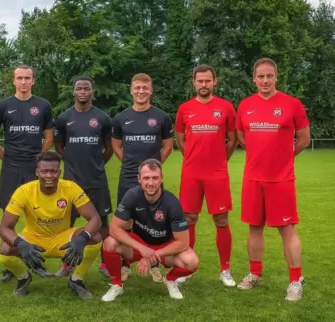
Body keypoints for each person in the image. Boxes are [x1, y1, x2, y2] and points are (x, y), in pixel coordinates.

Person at [236, 58, 310, 301]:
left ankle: (296, 280)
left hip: (281, 180)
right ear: (254, 79)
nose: (265, 80)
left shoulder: (292, 104)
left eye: (269, 76)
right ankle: (255, 274)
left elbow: (304, 139)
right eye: (261, 76)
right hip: (253, 179)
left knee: (286, 229)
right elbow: (241, 135)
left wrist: (283, 158)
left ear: (276, 77)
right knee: (254, 227)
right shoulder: (245, 105)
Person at [0, 151, 102, 299]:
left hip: (62, 239)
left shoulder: (70, 187)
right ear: (37, 172)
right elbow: (4, 227)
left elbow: (95, 218)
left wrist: (82, 239)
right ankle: (23, 278)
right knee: (4, 249)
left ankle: (76, 280)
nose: (49, 175)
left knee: (95, 237)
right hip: (33, 240)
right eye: (44, 171)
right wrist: (21, 244)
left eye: (53, 171)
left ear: (59, 172)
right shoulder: (24, 191)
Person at [174, 65, 237, 286]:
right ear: (194, 82)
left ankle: (225, 269)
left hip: (217, 173)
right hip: (191, 172)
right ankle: (187, 267)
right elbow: (181, 140)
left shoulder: (226, 107)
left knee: (221, 220)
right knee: (189, 219)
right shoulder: (184, 109)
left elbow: (232, 139)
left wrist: (219, 160)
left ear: (214, 82)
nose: (204, 85)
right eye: (200, 81)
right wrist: (192, 157)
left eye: (207, 81)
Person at [101, 159, 199, 302]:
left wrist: (151, 256)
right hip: (138, 244)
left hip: (163, 247)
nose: (151, 183)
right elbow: (114, 229)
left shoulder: (172, 203)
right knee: (110, 243)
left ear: (161, 178)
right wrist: (142, 249)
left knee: (192, 261)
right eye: (146, 178)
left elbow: (183, 243)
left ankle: (170, 280)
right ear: (139, 179)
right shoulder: (132, 196)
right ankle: (117, 285)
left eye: (155, 178)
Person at [0, 64, 54, 281]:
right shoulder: (3, 105)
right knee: (10, 217)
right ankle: (12, 264)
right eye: (20, 78)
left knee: (37, 214)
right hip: (11, 168)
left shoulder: (43, 105)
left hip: (34, 168)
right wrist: (7, 158)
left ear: (33, 80)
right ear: (13, 80)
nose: (24, 82)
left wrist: (38, 159)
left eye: (28, 78)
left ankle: (36, 261)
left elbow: (49, 138)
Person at [111, 73, 174, 282]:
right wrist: (135, 169)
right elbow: (116, 146)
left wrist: (151, 171)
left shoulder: (162, 117)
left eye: (145, 88)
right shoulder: (121, 118)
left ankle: (154, 263)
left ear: (151, 90)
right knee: (125, 223)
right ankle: (125, 264)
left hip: (152, 182)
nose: (141, 91)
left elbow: (167, 147)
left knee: (153, 223)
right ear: (131, 90)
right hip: (128, 178)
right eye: (137, 88)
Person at [54, 76, 113, 277]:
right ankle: (67, 264)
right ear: (73, 91)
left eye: (86, 88)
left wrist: (96, 164)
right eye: (79, 88)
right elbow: (59, 146)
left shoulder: (103, 118)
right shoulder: (64, 118)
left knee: (103, 223)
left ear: (92, 91)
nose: (82, 91)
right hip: (71, 182)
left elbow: (109, 148)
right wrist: (71, 163)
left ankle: (106, 263)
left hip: (96, 180)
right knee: (67, 223)